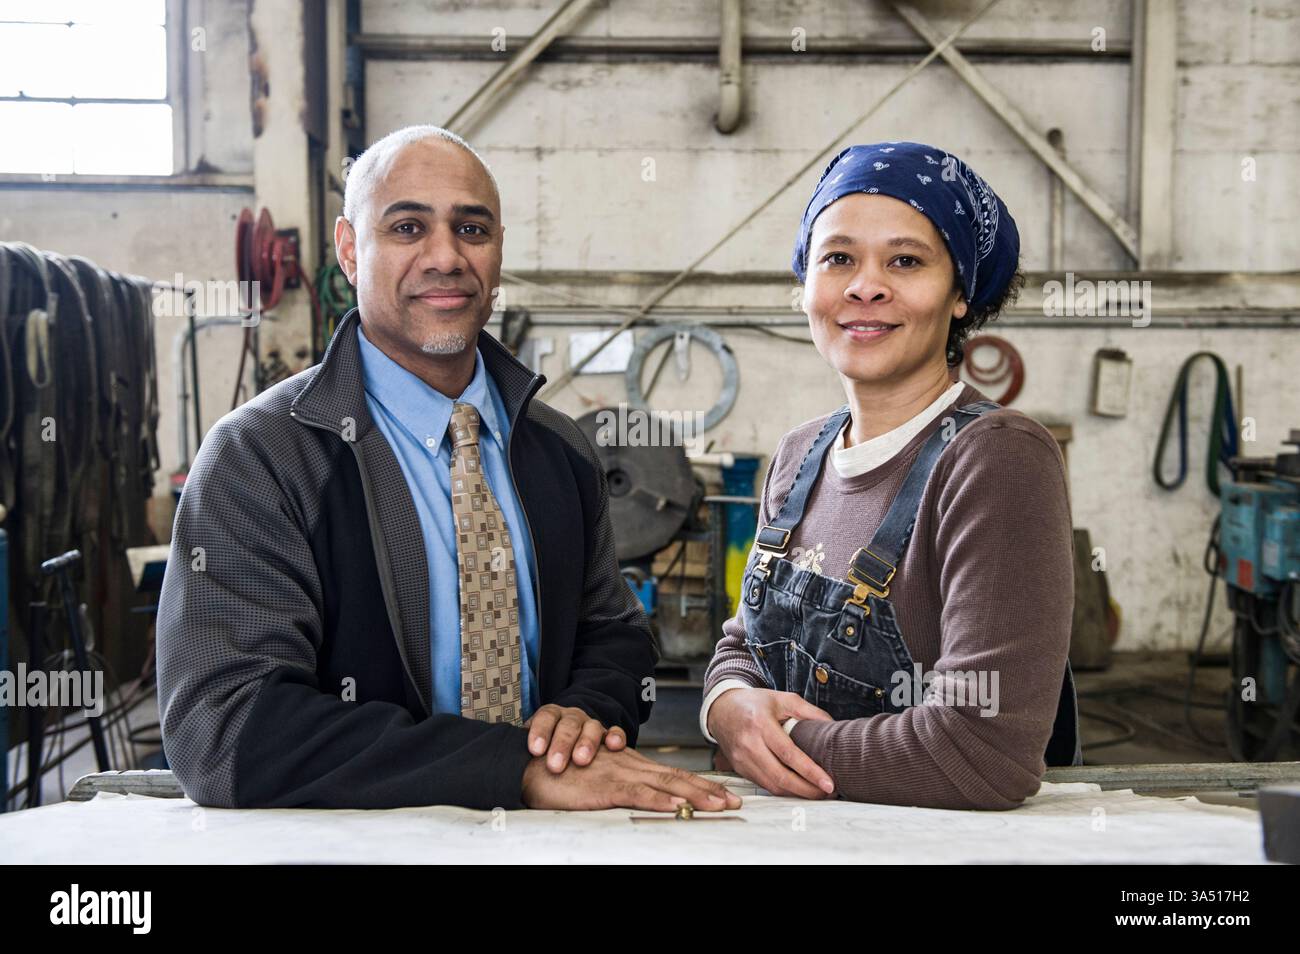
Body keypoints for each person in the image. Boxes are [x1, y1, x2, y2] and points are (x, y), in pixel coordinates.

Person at [156, 124, 741, 814]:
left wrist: (583, 719)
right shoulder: (263, 456)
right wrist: (509, 769)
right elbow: (225, 729)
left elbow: (611, 633)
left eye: (472, 229)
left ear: (498, 252)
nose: (445, 256)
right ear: (350, 249)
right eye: (407, 227)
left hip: (550, 845)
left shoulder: (558, 449)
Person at [702, 141, 1080, 810]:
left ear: (960, 295)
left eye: (906, 260)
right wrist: (727, 707)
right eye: (838, 258)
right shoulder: (800, 453)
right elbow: (741, 648)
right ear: (805, 285)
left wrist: (769, 736)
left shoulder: (996, 460)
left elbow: (981, 754)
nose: (865, 285)